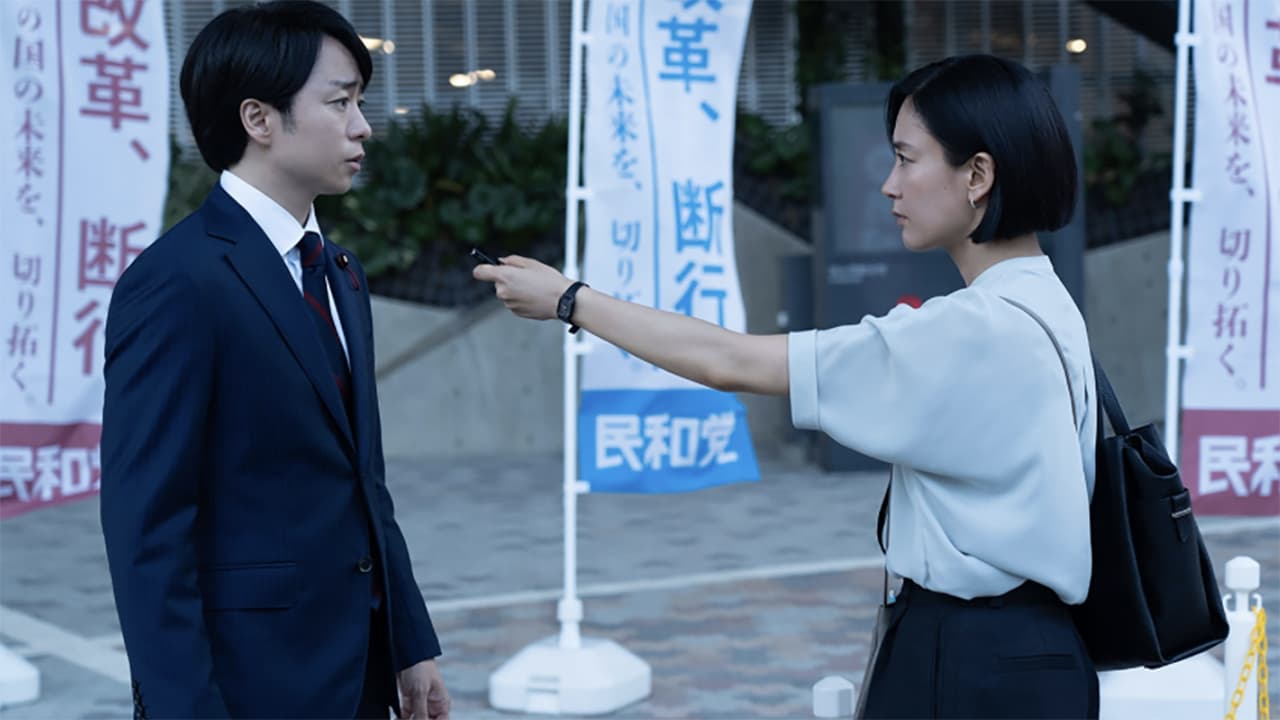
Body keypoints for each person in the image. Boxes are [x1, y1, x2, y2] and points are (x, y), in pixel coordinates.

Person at [475, 54, 1099, 718]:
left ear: (977, 175)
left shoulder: (967, 331)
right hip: (1042, 654)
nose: (889, 185)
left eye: (906, 159)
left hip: (971, 660)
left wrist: (569, 300)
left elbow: (731, 362)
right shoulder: (1045, 303)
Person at [99, 2, 450, 717]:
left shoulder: (340, 271)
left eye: (360, 102)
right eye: (340, 102)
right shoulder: (178, 282)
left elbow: (365, 483)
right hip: (248, 684)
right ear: (259, 119)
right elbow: (147, 528)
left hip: (358, 673)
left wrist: (409, 643)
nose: (362, 126)